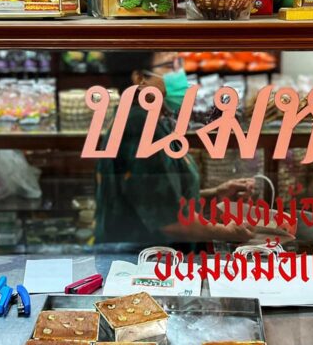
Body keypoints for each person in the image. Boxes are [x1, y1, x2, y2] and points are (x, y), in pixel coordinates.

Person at [94, 51, 256, 252]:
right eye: (170, 66)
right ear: (140, 79)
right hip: (140, 261)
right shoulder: (139, 126)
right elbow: (171, 222)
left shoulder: (151, 120)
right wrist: (228, 232)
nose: (180, 74)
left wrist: (215, 195)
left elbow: (158, 200)